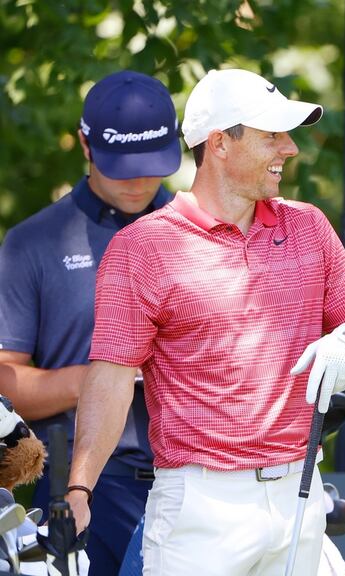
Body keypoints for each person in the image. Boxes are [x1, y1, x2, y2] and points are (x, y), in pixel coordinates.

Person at [66, 68, 345, 575]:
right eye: (272, 136)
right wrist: (80, 487)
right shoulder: (143, 247)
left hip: (297, 498)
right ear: (220, 143)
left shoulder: (308, 226)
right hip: (199, 508)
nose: (290, 149)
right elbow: (109, 378)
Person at [0, 69, 182, 574]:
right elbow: (4, 381)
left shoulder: (206, 233)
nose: (140, 181)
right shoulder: (34, 242)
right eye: (122, 167)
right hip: (86, 482)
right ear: (85, 144)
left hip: (199, 474)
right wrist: (104, 377)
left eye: (153, 165)